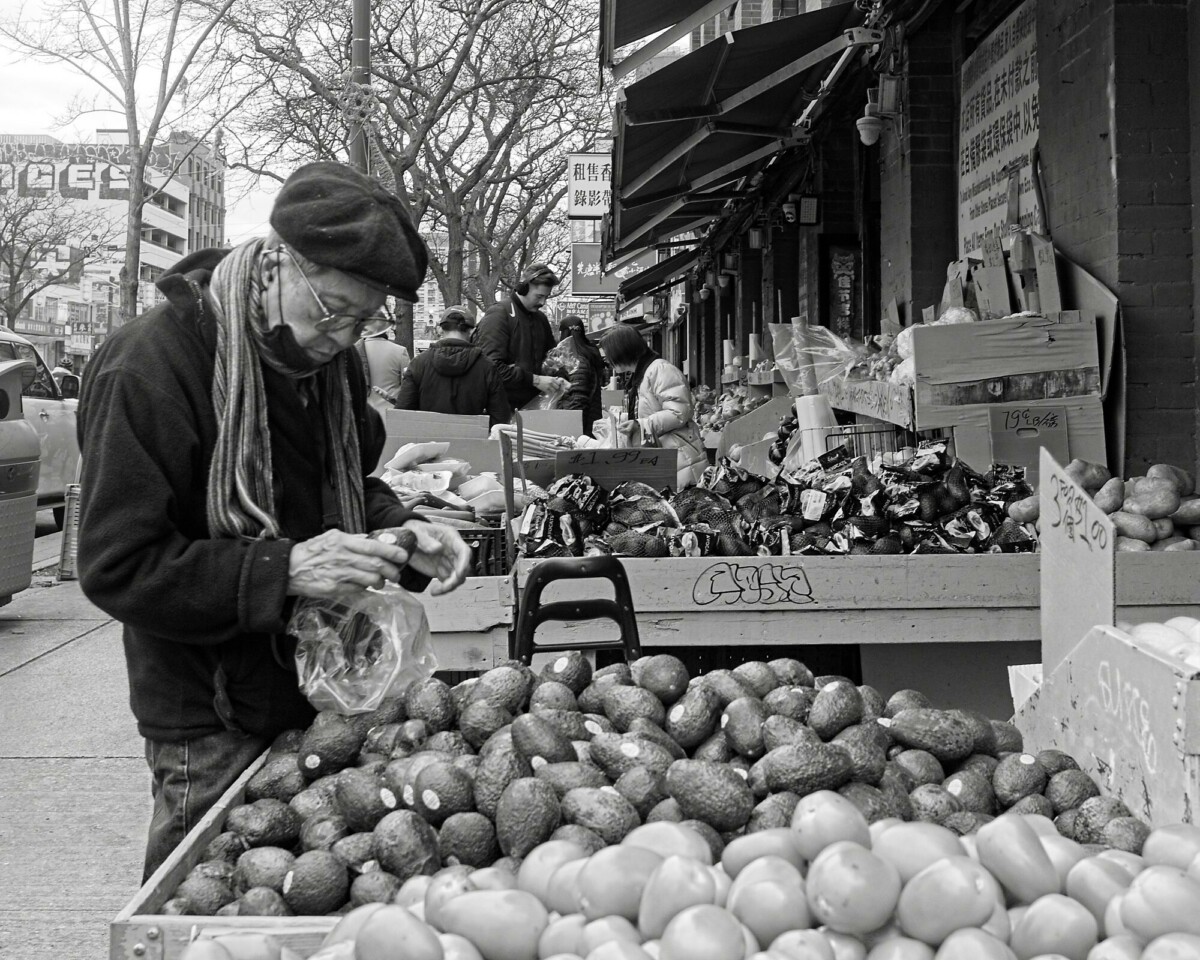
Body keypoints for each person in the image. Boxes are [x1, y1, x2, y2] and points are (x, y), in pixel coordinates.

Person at [75, 161, 473, 881]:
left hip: (322, 701)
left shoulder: (333, 369)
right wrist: (283, 569)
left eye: (364, 320)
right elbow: (118, 565)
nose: (343, 338)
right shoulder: (149, 367)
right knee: (206, 918)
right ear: (274, 263)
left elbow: (343, 486)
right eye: (332, 311)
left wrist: (405, 528)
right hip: (208, 720)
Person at [601, 323, 707, 489]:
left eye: (610, 355)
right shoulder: (640, 376)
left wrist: (641, 425)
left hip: (680, 456)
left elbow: (679, 411)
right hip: (664, 455)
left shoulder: (660, 370)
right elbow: (649, 410)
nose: (608, 361)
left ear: (623, 351)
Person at [395, 304, 511, 426]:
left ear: (440, 330)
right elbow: (500, 418)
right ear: (472, 332)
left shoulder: (418, 363)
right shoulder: (487, 367)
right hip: (473, 441)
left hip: (428, 441)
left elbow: (402, 414)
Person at [475, 263, 568, 409]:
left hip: (536, 408)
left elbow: (552, 358)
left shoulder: (541, 319)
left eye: (546, 297)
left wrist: (559, 377)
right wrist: (535, 380)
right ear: (523, 288)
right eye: (539, 296)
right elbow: (491, 367)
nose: (542, 302)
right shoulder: (498, 314)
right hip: (503, 410)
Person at [549, 315, 605, 436]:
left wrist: (573, 431)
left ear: (564, 333)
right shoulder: (586, 355)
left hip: (581, 429)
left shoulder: (577, 361)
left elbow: (578, 399)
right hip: (586, 425)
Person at [356, 321, 410, 413]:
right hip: (390, 413)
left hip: (362, 413)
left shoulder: (354, 351)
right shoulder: (400, 351)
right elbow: (407, 387)